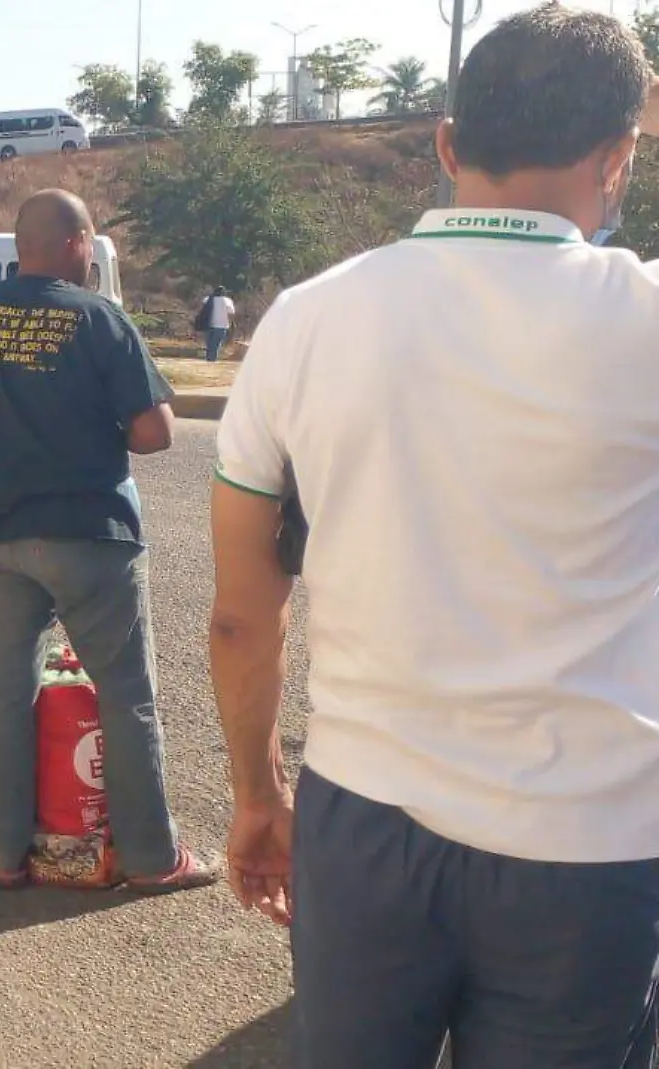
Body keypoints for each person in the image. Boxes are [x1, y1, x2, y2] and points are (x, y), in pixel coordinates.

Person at [211, 9, 659, 1065]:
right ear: (618, 157)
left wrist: (257, 797)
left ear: (448, 145)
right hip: (589, 844)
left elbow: (240, 615)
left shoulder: (304, 321)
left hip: (363, 822)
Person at [0, 190, 215, 894]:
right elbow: (155, 432)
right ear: (78, 242)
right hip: (90, 534)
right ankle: (150, 858)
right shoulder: (98, 318)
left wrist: (2, 445)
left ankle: (2, 856)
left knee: (8, 691)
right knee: (125, 693)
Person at [198, 285, 236, 363]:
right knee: (215, 345)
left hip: (208, 324)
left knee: (209, 344)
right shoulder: (227, 301)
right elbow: (231, 313)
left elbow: (201, 310)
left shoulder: (207, 299)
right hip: (222, 326)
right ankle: (212, 360)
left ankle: (208, 359)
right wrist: (230, 323)